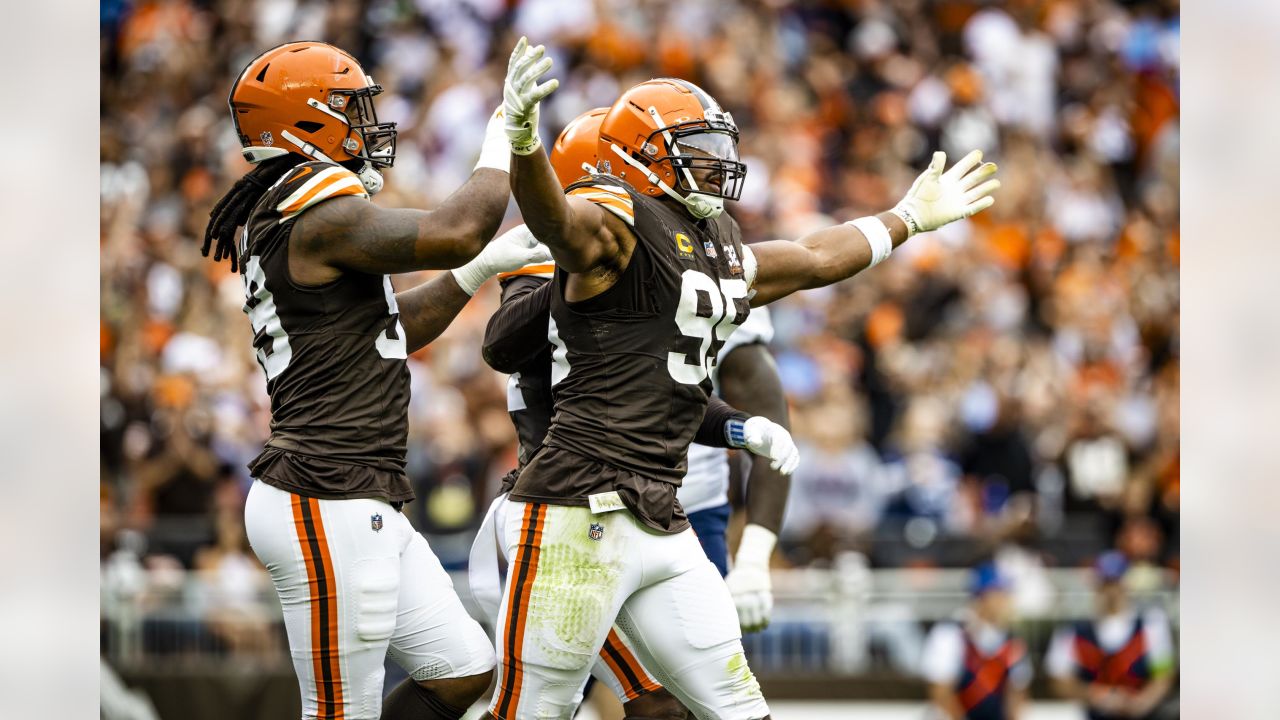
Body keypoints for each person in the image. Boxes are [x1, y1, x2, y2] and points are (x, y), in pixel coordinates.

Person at [486, 37, 999, 720]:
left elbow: (813, 257)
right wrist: (523, 142)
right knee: (531, 710)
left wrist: (903, 220)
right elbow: (557, 221)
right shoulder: (618, 223)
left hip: (661, 515)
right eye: (693, 148)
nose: (716, 164)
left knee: (734, 704)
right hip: (578, 512)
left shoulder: (712, 240)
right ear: (639, 159)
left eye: (716, 147)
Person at [203, 41, 550, 720]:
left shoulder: (301, 214)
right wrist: (503, 141)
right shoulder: (316, 211)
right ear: (303, 123)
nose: (368, 125)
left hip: (354, 491)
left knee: (464, 671)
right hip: (321, 492)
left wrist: (473, 277)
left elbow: (390, 333)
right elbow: (458, 228)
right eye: (349, 110)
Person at [473, 107, 799, 720]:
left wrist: (756, 547)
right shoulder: (560, 256)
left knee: (691, 703)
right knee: (544, 702)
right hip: (569, 502)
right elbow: (502, 346)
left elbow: (754, 383)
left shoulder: (707, 254)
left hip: (681, 504)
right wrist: (587, 271)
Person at [1045, 551, 1176, 720]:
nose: (1112, 591)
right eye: (1106, 583)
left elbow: (1163, 674)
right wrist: (1096, 695)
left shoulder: (1152, 626)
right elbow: (1059, 679)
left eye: (1116, 582)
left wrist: (1143, 702)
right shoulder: (1073, 631)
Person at [921, 563, 1032, 720]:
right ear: (982, 598)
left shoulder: (1013, 642)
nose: (1007, 601)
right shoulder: (950, 634)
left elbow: (1016, 694)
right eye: (1001, 594)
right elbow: (941, 693)